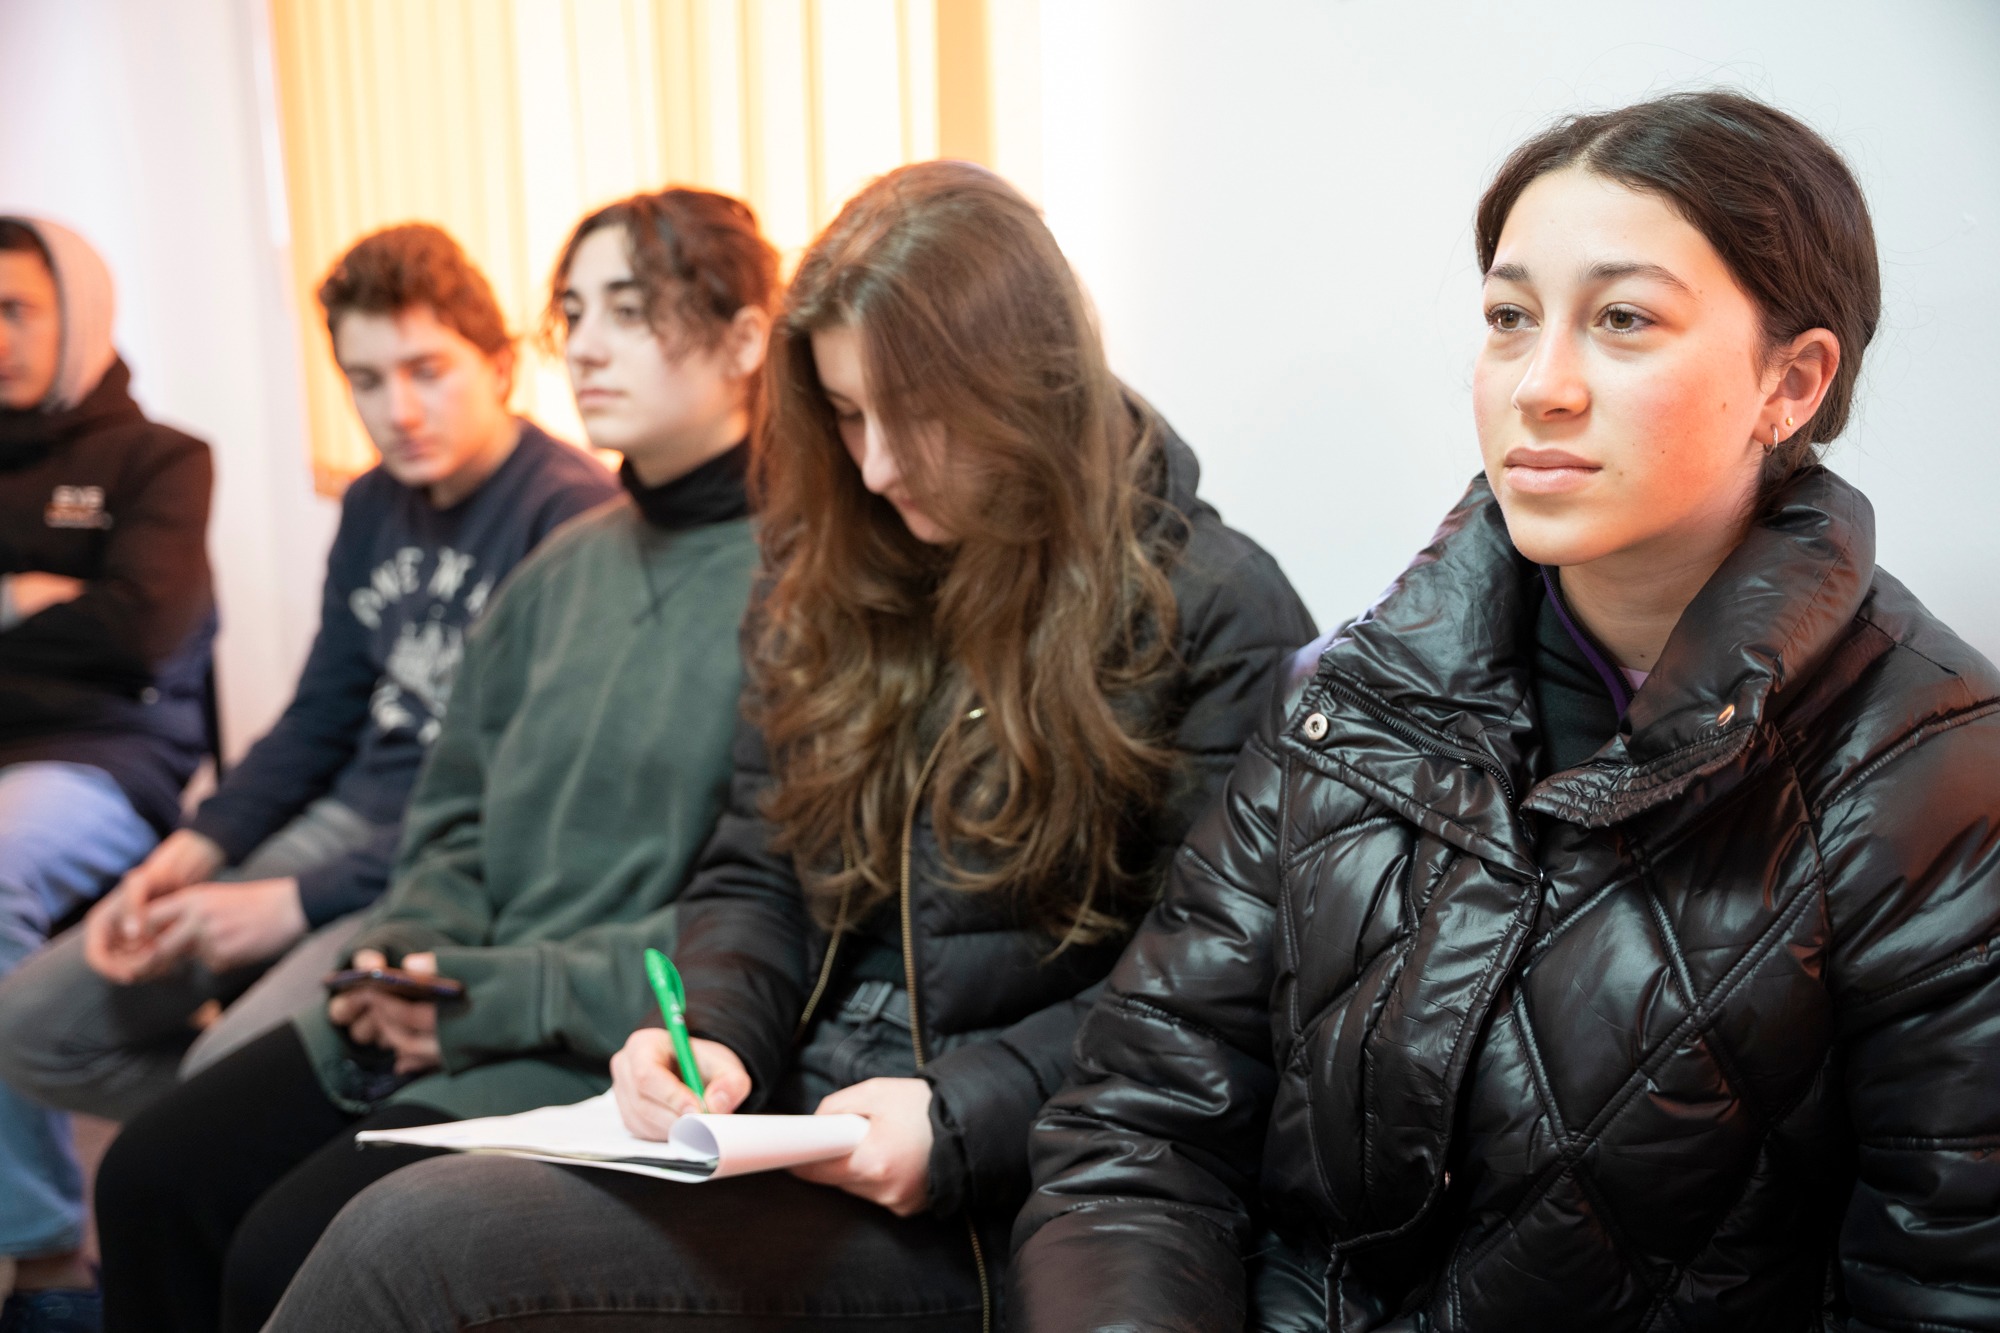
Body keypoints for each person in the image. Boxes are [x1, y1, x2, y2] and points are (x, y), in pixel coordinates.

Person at [264, 160, 1318, 1333]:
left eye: (913, 417)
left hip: (1006, 1191)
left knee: (413, 1249)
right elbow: (757, 870)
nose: (876, 467)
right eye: (849, 416)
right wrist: (711, 1030)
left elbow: (1209, 997)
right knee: (388, 1224)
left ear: (1026, 383)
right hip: (787, 1125)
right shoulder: (832, 569)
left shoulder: (1216, 611)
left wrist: (957, 1115)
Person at [1009, 90, 2000, 1331]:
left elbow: (1945, 1285)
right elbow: (1136, 1128)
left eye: (1622, 320)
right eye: (1507, 318)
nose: (1539, 385)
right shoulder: (1348, 693)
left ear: (1789, 382)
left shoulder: (1932, 774)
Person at [93, 186, 782, 1333]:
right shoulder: (562, 567)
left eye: (629, 309)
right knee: (147, 1177)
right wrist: (407, 960)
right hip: (448, 1001)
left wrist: (476, 1000)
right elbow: (451, 810)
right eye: (574, 311)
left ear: (747, 338)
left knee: (280, 1255)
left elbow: (756, 919)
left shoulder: (805, 583)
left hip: (591, 1046)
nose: (585, 346)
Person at [0, 215, 214, 1324]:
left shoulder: (160, 458)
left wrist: (35, 621)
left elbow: (139, 631)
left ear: (78, 313)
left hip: (103, 760)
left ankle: (38, 1249)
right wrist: (33, 602)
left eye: (15, 310)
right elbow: (97, 623)